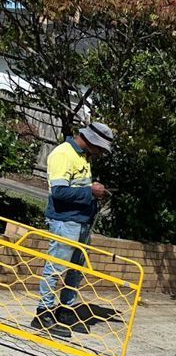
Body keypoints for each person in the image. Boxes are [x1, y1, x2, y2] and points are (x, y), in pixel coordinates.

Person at [31, 122, 114, 339]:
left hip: (81, 222)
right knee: (56, 267)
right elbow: (58, 192)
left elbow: (77, 189)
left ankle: (65, 311)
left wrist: (93, 193)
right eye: (101, 148)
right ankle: (43, 313)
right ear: (91, 141)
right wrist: (90, 191)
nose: (101, 153)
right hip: (65, 222)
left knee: (76, 270)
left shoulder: (83, 158)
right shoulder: (63, 154)